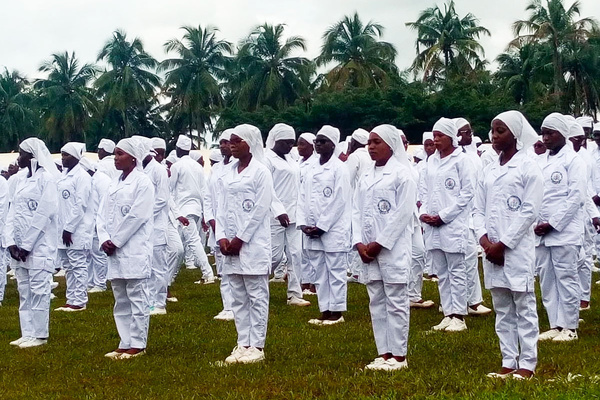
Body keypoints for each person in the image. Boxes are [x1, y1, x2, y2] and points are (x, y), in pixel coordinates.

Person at [474, 111, 543, 380]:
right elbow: (477, 208)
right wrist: (484, 240)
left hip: (515, 249)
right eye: (492, 130)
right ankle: (507, 359)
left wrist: (503, 244)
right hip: (491, 249)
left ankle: (527, 362)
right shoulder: (489, 168)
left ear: (515, 134)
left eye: (500, 130)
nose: (494, 135)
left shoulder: (529, 167)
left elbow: (529, 211)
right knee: (502, 308)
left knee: (523, 306)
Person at [353, 124, 416, 371]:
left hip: (391, 247)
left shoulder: (403, 174)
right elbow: (355, 211)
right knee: (376, 300)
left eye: (376, 142)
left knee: (396, 300)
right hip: (367, 248)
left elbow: (402, 214)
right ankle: (384, 352)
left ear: (391, 144)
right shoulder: (366, 175)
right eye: (369, 142)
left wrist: (379, 243)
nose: (371, 147)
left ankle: (399, 356)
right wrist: (359, 242)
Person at [216, 124, 273, 364]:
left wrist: (240, 238)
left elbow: (260, 208)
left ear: (250, 142)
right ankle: (242, 342)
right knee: (238, 296)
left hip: (251, 242)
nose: (231, 145)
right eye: (230, 141)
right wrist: (221, 237)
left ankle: (257, 346)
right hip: (229, 242)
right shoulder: (227, 172)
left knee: (256, 294)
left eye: (237, 141)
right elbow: (220, 207)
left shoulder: (261, 172)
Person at [98, 137, 154, 360]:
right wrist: (104, 237)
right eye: (115, 154)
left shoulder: (143, 182)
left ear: (133, 157)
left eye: (120, 154)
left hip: (133, 247)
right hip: (113, 249)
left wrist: (116, 240)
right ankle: (124, 341)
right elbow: (100, 215)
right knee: (120, 298)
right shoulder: (114, 182)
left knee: (137, 296)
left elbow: (137, 216)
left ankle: (138, 344)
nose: (116, 158)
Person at [419, 117, 475, 332]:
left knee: (457, 269)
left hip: (453, 223)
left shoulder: (462, 161)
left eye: (440, 136)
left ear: (451, 137)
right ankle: (447, 312)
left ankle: (459, 315)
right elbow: (423, 190)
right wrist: (424, 213)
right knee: (441, 271)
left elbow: (467, 193)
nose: (436, 140)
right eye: (434, 135)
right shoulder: (431, 160)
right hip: (433, 224)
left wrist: (444, 215)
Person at [535, 113, 586, 342]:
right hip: (540, 231)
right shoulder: (540, 161)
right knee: (547, 278)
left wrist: (553, 224)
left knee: (566, 276)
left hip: (564, 230)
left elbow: (575, 198)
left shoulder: (574, 160)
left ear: (563, 134)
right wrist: (537, 223)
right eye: (543, 133)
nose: (545, 138)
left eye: (550, 133)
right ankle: (555, 324)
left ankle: (570, 327)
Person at [5, 138, 60, 348]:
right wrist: (10, 242)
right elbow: (12, 212)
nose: (19, 158)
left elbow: (43, 214)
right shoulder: (19, 179)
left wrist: (27, 245)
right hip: (18, 247)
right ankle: (26, 332)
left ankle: (40, 334)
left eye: (22, 154)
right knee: (24, 290)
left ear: (33, 156)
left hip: (39, 246)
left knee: (39, 290)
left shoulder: (47, 180)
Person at [297, 125, 352, 325]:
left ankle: (337, 311)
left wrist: (322, 225)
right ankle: (325, 309)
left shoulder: (340, 168)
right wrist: (303, 223)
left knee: (335, 271)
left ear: (333, 144)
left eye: (323, 141)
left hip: (333, 229)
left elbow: (339, 200)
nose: (318, 144)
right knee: (319, 271)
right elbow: (302, 197)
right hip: (312, 229)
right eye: (316, 141)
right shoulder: (311, 169)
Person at [264, 123, 310, 307]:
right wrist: (278, 211)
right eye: (285, 142)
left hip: (295, 215)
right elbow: (267, 189)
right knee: (273, 257)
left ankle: (294, 294)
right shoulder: (267, 159)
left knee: (296, 255)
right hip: (275, 216)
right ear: (275, 140)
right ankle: (255, 288)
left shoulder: (292, 160)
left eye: (292, 142)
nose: (289, 146)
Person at [454, 118, 491, 316]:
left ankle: (472, 300)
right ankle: (469, 301)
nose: (466, 136)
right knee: (464, 259)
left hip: (475, 212)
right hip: (461, 214)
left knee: (469, 259)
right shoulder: (455, 157)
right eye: (461, 133)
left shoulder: (474, 155)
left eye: (468, 132)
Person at [170, 135, 214, 282]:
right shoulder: (197, 166)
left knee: (192, 242)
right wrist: (203, 214)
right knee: (180, 245)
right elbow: (203, 191)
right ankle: (171, 277)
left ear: (177, 149)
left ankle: (208, 274)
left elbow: (169, 189)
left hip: (182, 210)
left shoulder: (177, 166)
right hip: (195, 209)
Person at [55, 142, 93, 312]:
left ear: (76, 157)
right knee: (68, 266)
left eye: (66, 155)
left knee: (78, 265)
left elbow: (80, 205)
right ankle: (71, 298)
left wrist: (69, 228)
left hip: (76, 229)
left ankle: (80, 300)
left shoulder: (82, 177)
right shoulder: (64, 175)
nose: (63, 158)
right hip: (62, 229)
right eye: (62, 154)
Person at [138, 138, 170, 316]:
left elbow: (162, 199)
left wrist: (146, 215)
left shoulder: (158, 170)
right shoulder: (141, 169)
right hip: (144, 227)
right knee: (147, 265)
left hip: (156, 225)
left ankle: (159, 303)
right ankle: (149, 300)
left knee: (158, 266)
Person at [206, 129, 235, 321]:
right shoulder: (216, 169)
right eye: (221, 143)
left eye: (227, 142)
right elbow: (208, 196)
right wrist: (211, 220)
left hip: (233, 224)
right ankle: (228, 306)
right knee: (223, 268)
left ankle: (235, 306)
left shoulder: (238, 166)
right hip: (217, 224)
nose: (223, 146)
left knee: (234, 267)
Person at [79, 157, 111, 293]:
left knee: (99, 254)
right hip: (90, 223)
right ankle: (91, 281)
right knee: (91, 254)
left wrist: (102, 224)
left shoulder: (102, 180)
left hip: (100, 222)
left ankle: (100, 283)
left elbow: (106, 204)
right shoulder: (90, 180)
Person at [296, 133, 318, 296]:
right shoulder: (299, 163)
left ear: (312, 146)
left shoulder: (315, 164)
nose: (299, 147)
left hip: (313, 210)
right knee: (302, 249)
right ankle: (304, 281)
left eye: (303, 144)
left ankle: (315, 283)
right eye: (298, 144)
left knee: (314, 250)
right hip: (300, 208)